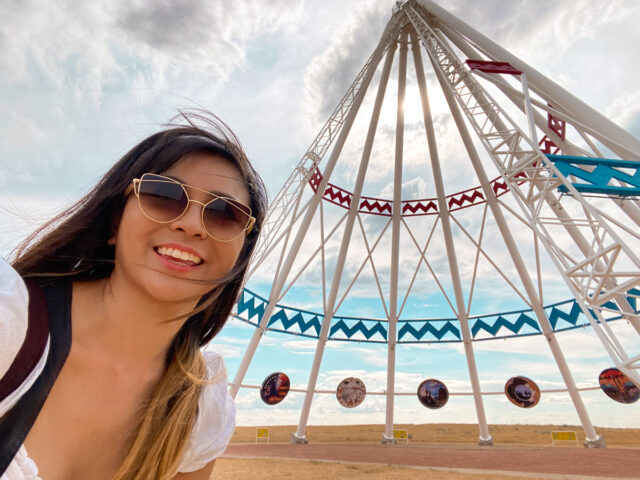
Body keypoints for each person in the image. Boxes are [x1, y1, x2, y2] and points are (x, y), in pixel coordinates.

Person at [0, 112, 268, 479]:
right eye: (163, 194)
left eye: (225, 214)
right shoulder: (11, 322)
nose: (190, 224)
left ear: (240, 254)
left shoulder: (199, 409)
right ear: (115, 221)